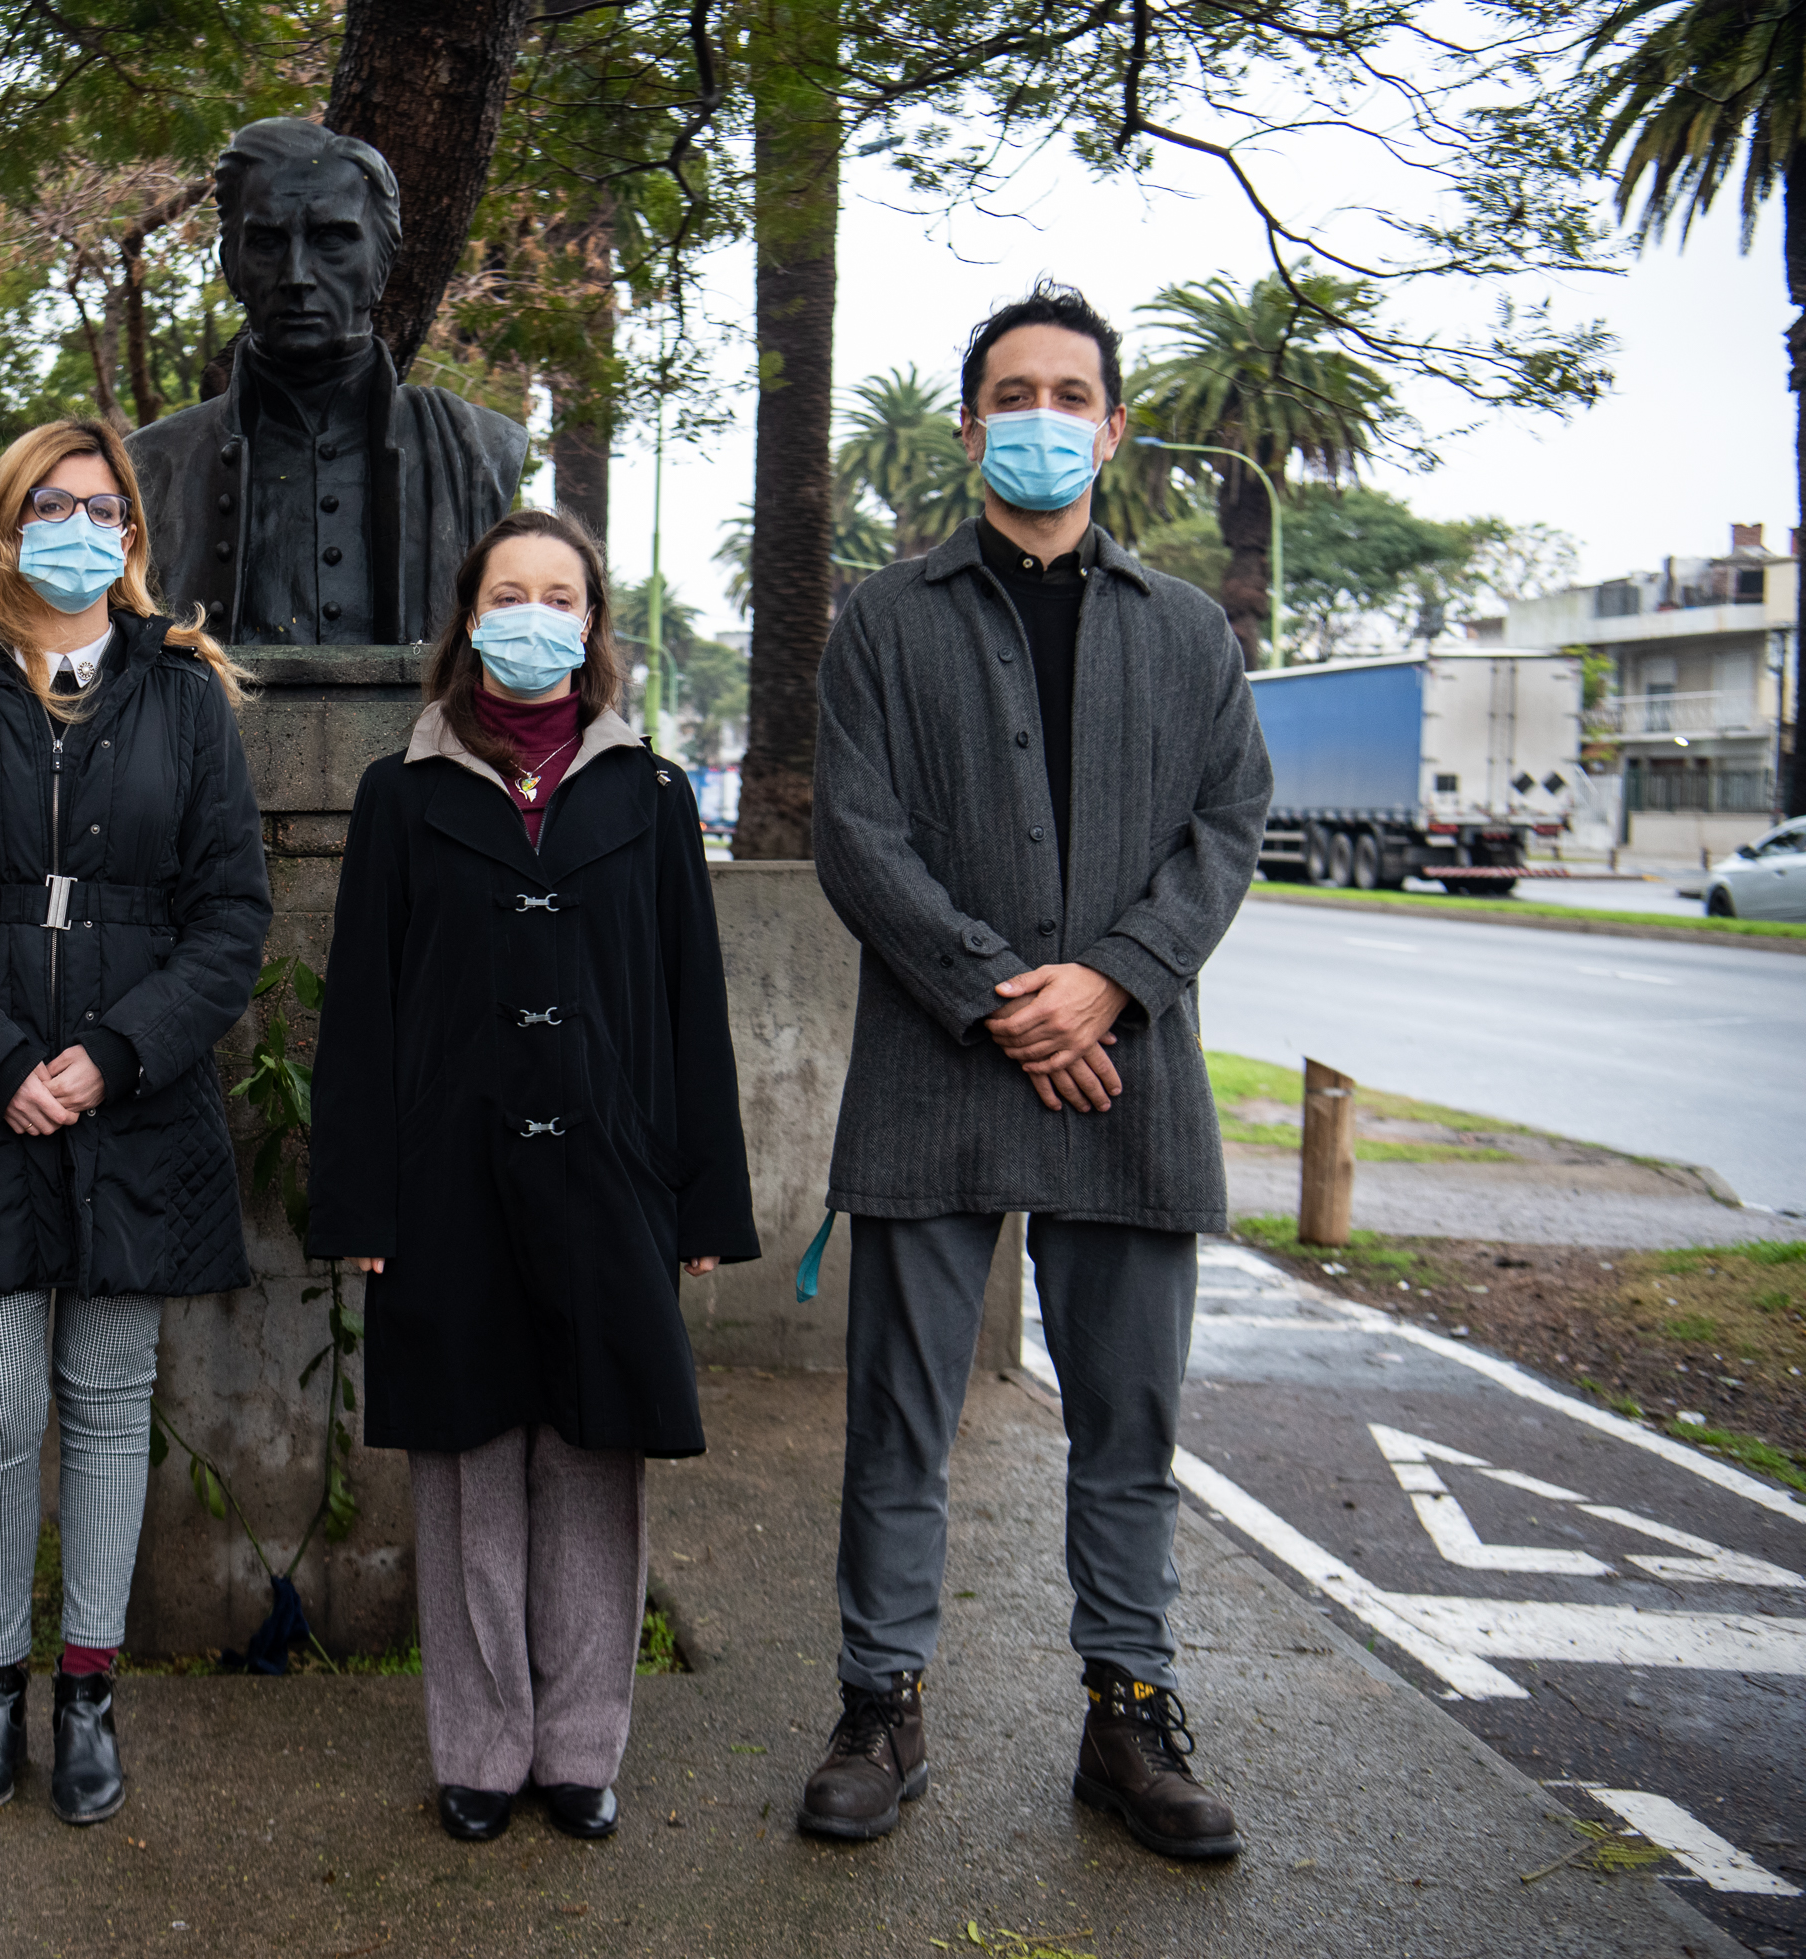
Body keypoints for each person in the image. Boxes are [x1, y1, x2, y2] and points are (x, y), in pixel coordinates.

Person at [799, 283, 1271, 1860]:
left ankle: (1128, 1714)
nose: (1045, 417)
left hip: (1128, 1084)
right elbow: (857, 838)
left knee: (1128, 1424)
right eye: (1017, 391)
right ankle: (882, 1702)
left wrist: (1113, 986)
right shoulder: (883, 619)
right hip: (941, 1077)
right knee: (897, 1421)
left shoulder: (1192, 633)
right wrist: (1014, 1000)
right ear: (968, 421)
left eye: (1075, 394)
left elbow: (1225, 832)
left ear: (1116, 428)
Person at [307, 507, 759, 1845]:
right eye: (511, 590)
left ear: (592, 623)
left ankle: (579, 1743)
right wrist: (361, 1200)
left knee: (595, 1459)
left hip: (612, 1173)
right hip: (447, 1176)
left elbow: (692, 1002)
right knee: (466, 1470)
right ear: (470, 612)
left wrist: (702, 1199)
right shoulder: (406, 792)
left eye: (561, 593)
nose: (535, 612)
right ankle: (481, 1745)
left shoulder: (654, 793)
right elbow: (362, 1013)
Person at [0, 417, 271, 1826]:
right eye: (51, 503)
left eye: (105, 508)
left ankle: (86, 1691)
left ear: (135, 538)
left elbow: (229, 920)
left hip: (132, 1104)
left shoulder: (184, 694)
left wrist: (110, 1053)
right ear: (8, 523)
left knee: (107, 1403)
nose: (80, 527)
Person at [127, 117, 528, 645]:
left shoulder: (480, 447)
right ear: (232, 264)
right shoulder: (149, 465)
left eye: (332, 239)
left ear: (382, 261)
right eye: (267, 242)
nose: (297, 274)